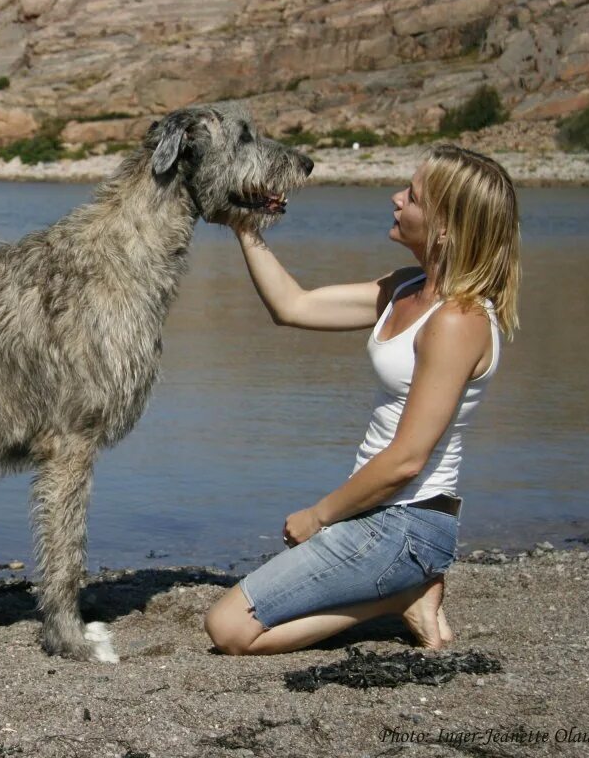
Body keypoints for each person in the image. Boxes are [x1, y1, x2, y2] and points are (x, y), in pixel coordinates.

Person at [204, 144, 521, 655]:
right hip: (373, 512)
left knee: (230, 628)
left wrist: (319, 515)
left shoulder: (458, 321)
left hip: (408, 522)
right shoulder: (405, 289)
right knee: (237, 620)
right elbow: (294, 305)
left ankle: (402, 593)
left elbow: (407, 459)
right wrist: (245, 226)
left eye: (413, 197)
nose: (397, 199)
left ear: (444, 228)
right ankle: (402, 590)